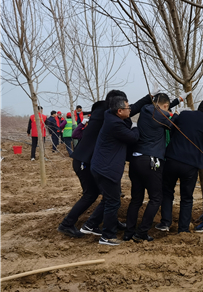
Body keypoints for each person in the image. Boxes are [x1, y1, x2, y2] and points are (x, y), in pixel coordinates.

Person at [57, 90, 152, 239]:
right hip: (85, 161)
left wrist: (149, 97)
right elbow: (131, 112)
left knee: (111, 195)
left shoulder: (107, 113)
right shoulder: (104, 115)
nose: (127, 107)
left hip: (94, 161)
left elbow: (131, 109)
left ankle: (107, 222)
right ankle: (67, 224)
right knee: (92, 194)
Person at [124, 93, 181, 242]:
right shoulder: (159, 115)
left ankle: (129, 232)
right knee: (156, 198)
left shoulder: (145, 110)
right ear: (165, 106)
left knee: (136, 199)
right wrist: (175, 115)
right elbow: (173, 125)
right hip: (151, 160)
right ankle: (141, 232)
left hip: (136, 159)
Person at [156, 99, 203, 234]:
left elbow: (172, 130)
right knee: (187, 197)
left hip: (172, 158)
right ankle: (183, 229)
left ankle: (165, 222)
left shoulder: (184, 115)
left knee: (167, 192)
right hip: (191, 165)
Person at [90, 95, 140, 245]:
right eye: (128, 108)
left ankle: (91, 224)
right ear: (119, 111)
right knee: (113, 202)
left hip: (102, 166)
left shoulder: (111, 116)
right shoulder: (115, 124)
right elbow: (133, 137)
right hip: (106, 169)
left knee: (109, 199)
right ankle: (107, 236)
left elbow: (131, 113)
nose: (130, 110)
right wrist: (136, 127)